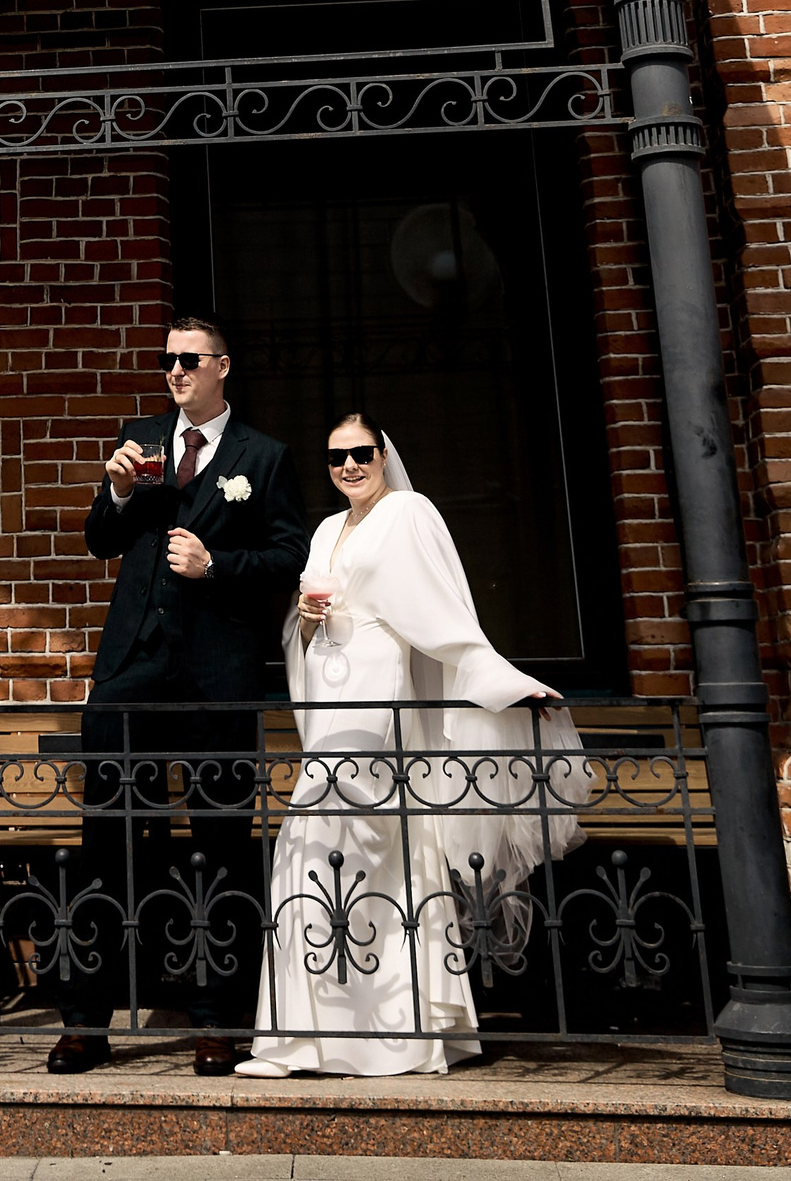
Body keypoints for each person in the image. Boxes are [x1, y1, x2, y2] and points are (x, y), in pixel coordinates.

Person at [238, 410, 588, 1080]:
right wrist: (304, 622)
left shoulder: (409, 512)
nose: (350, 466)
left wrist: (502, 680)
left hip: (380, 690)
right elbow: (303, 629)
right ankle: (301, 1038)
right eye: (337, 457)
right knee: (314, 849)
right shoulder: (325, 529)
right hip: (330, 694)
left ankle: (392, 1032)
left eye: (362, 452)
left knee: (351, 837)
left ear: (382, 453)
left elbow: (444, 614)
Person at [50, 315, 309, 1080]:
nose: (176, 370)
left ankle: (216, 1020)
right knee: (108, 838)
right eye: (168, 360)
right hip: (131, 665)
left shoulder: (263, 456)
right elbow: (100, 539)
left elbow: (288, 554)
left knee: (219, 845)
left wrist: (215, 564)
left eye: (190, 359)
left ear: (222, 366)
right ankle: (86, 1022)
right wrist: (118, 490)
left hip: (217, 673)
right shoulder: (140, 440)